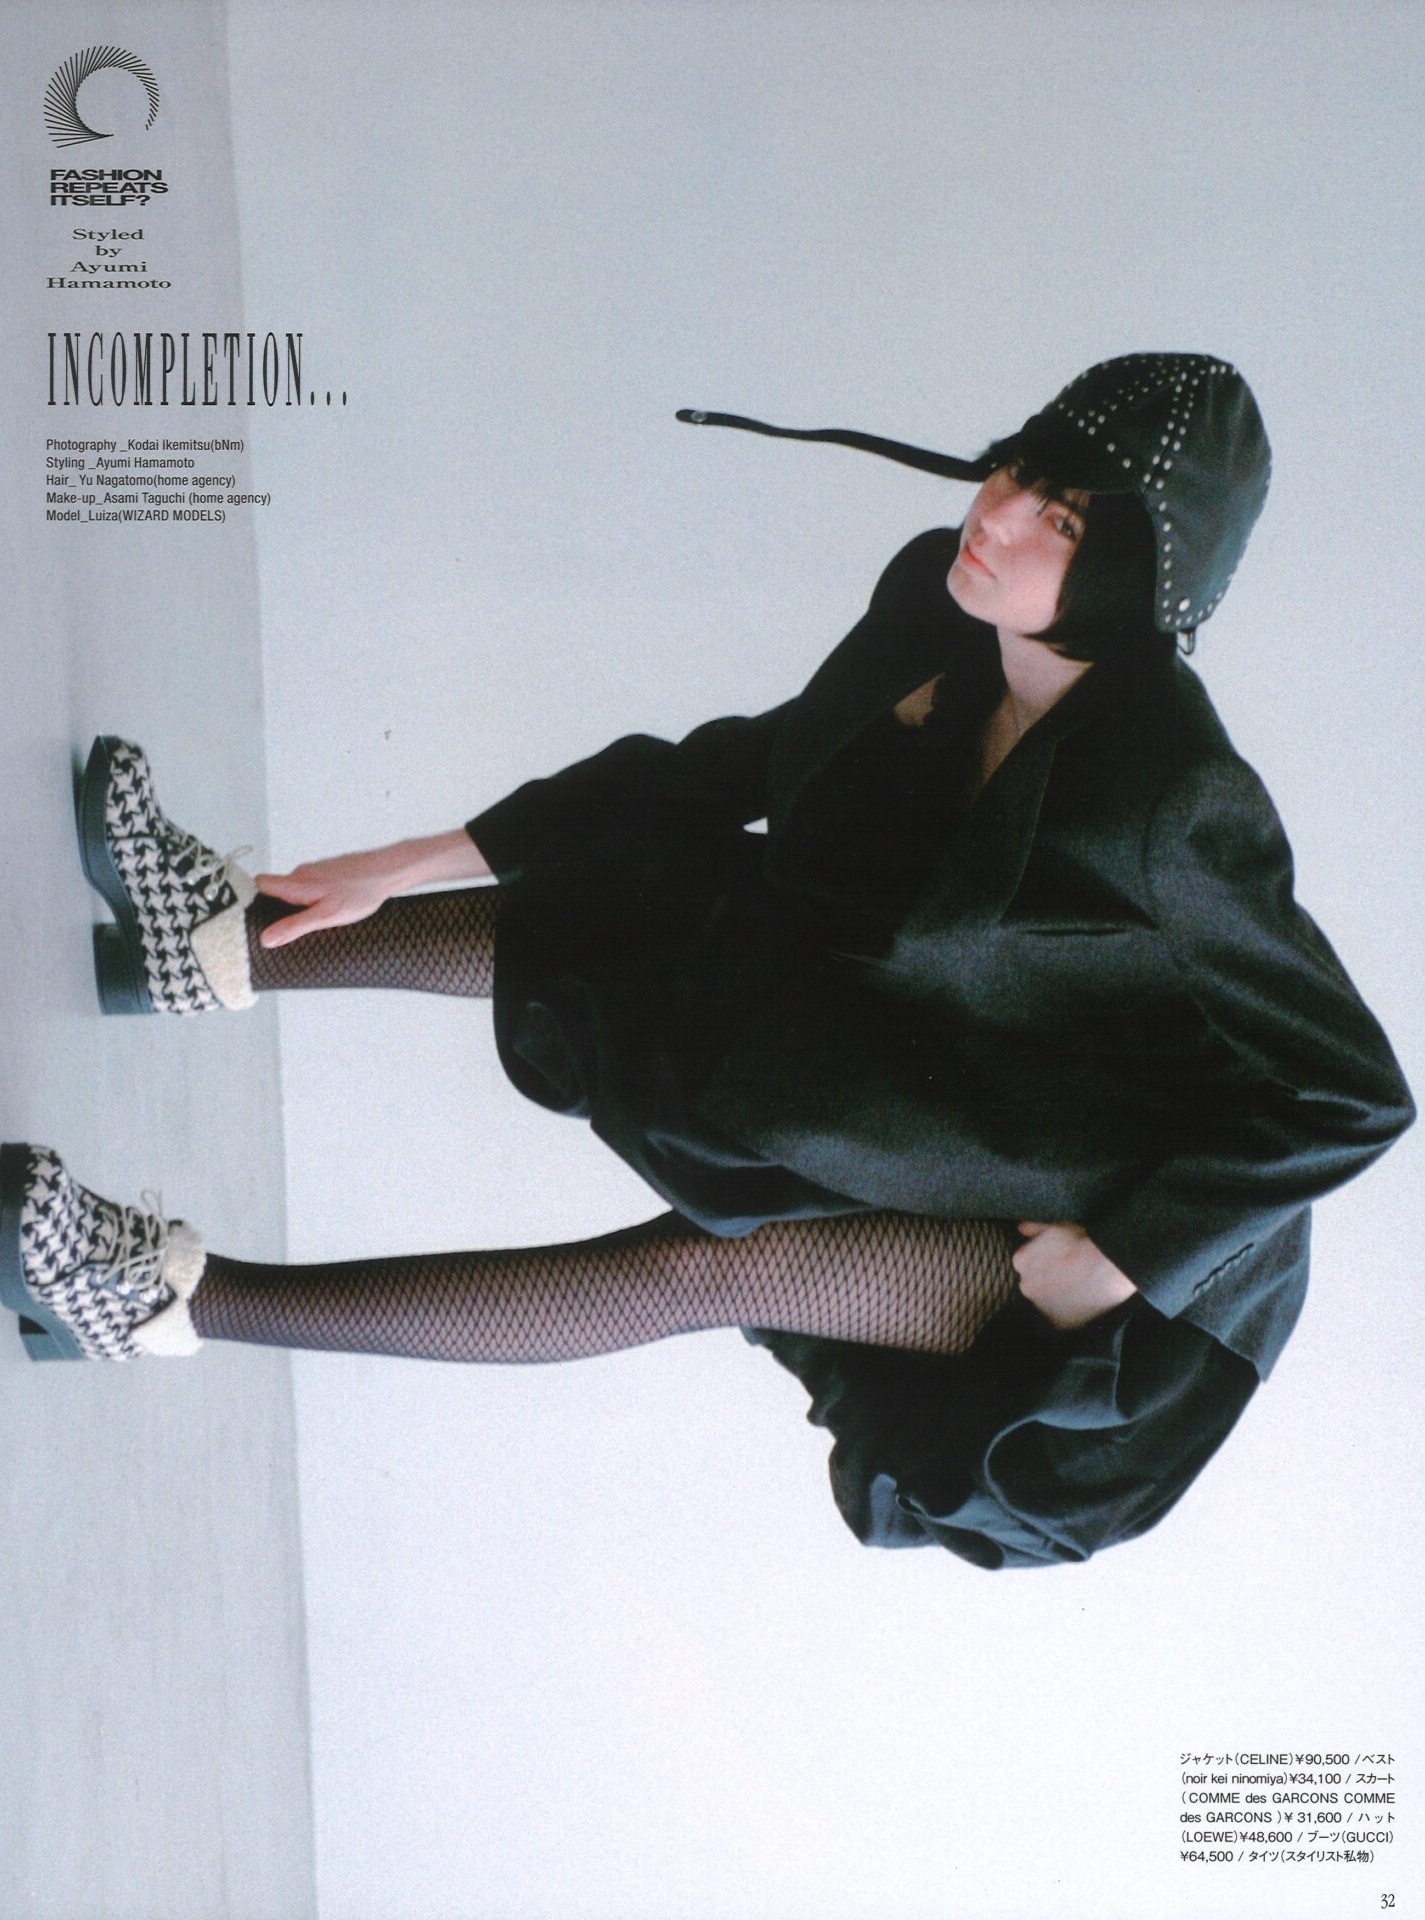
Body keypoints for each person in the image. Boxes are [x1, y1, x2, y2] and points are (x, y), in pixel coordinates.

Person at [2, 354, 1413, 1568]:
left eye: (1057, 517)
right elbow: (745, 765)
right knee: (653, 889)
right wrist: (411, 857)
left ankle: (155, 1300)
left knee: (704, 1266)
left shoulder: (1176, 798)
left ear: (1135, 576)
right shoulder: (946, 605)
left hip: (1133, 1273)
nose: (992, 516)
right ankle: (217, 937)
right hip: (981, 1091)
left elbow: (1353, 1094)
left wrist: (1126, 1256)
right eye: (1013, 471)